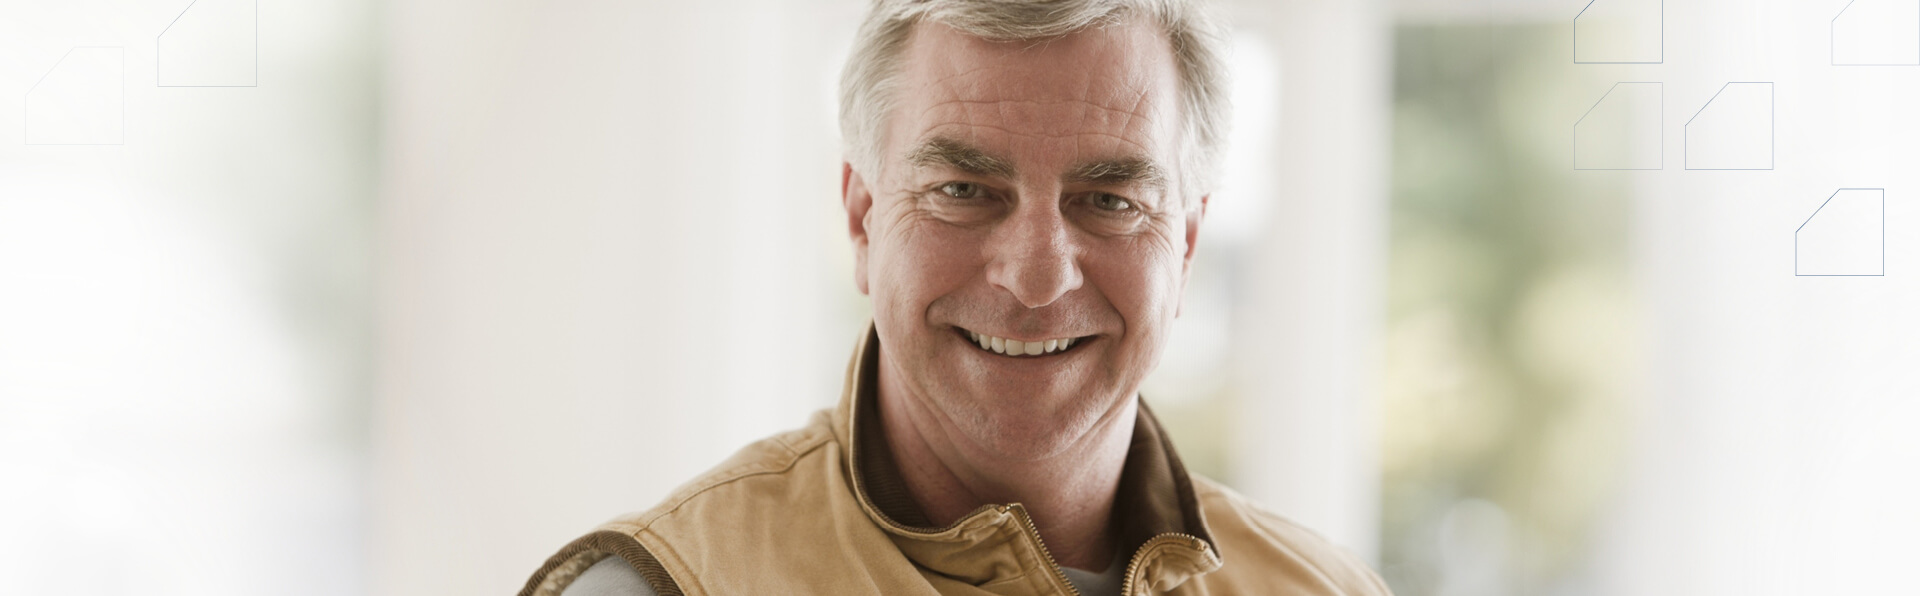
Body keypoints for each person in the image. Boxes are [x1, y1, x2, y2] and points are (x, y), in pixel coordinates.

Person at [520, 1, 1393, 594]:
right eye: (964, 190)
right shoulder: (662, 586)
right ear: (862, 219)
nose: (1038, 275)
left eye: (1111, 201)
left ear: (1189, 244)